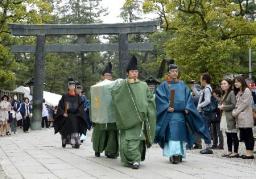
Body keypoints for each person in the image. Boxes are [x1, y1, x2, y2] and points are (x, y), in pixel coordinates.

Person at [155, 62, 212, 164]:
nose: (174, 73)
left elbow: (188, 98)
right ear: (169, 73)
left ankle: (180, 153)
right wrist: (167, 106)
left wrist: (188, 107)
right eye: (172, 71)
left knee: (180, 135)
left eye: (176, 71)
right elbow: (160, 98)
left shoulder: (182, 85)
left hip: (181, 115)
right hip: (170, 116)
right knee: (172, 135)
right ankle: (174, 154)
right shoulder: (164, 85)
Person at [111, 56, 156, 169]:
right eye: (132, 71)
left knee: (136, 140)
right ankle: (129, 160)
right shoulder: (123, 85)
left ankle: (136, 160)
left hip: (140, 119)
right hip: (126, 118)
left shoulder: (143, 85)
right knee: (126, 142)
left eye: (136, 71)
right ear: (127, 73)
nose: (135, 73)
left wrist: (148, 110)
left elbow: (150, 99)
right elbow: (115, 95)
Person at [91, 62, 119, 158]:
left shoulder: (115, 85)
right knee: (99, 133)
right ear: (102, 76)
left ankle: (110, 151)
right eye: (106, 75)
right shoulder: (97, 86)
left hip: (112, 113)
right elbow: (95, 101)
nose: (108, 77)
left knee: (112, 133)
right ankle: (97, 149)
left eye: (109, 75)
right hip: (100, 114)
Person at [54, 78, 88, 149]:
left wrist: (79, 112)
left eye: (73, 86)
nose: (72, 87)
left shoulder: (77, 96)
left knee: (75, 125)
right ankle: (65, 141)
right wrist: (63, 113)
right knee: (66, 125)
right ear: (68, 87)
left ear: (75, 87)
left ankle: (75, 142)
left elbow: (81, 105)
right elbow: (60, 106)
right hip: (66, 115)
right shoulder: (64, 96)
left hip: (75, 115)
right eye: (71, 85)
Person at [232, 76, 255, 159]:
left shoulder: (247, 90)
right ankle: (247, 152)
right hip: (240, 117)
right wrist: (235, 111)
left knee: (248, 135)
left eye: (237, 82)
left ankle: (250, 153)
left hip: (246, 116)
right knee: (244, 135)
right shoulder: (239, 92)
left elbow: (244, 104)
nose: (236, 83)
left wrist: (235, 112)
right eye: (235, 82)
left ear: (242, 82)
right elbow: (237, 104)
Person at [218, 79, 238, 158]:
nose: (222, 85)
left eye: (224, 83)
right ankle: (229, 151)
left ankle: (235, 151)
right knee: (227, 133)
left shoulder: (231, 93)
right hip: (224, 115)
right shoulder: (225, 93)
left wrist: (224, 107)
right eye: (221, 84)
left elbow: (234, 105)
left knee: (233, 134)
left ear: (229, 85)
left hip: (230, 116)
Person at [197, 73, 214, 154]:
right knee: (204, 128)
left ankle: (208, 146)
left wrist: (199, 106)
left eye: (201, 79)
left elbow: (207, 100)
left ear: (204, 80)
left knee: (205, 128)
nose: (200, 81)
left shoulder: (207, 89)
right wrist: (193, 87)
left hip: (205, 112)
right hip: (204, 112)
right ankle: (208, 145)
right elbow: (198, 95)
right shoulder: (206, 88)